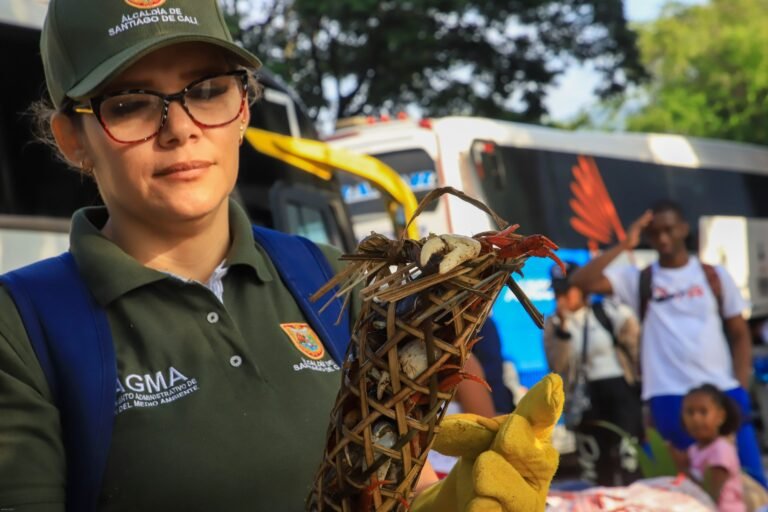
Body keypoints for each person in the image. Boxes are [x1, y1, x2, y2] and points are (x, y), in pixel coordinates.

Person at [0, 1, 562, 510]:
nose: (181, 129)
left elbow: (391, 484)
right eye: (130, 104)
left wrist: (449, 501)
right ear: (73, 139)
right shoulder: (22, 327)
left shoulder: (332, 279)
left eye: (207, 90)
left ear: (244, 108)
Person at [569, 200, 766, 487]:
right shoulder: (640, 279)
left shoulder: (713, 275)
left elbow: (739, 333)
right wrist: (625, 244)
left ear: (684, 229)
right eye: (655, 233)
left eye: (669, 229)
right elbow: (581, 281)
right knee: (684, 486)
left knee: (748, 479)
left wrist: (740, 386)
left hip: (720, 391)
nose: (662, 238)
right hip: (668, 394)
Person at [544, 261, 642, 486]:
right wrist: (563, 330)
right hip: (585, 398)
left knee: (628, 456)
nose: (561, 298)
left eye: (566, 290)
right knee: (594, 461)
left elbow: (635, 345)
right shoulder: (554, 324)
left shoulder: (607, 311)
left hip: (619, 391)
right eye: (557, 292)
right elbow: (557, 366)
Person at [676, 384, 746, 511]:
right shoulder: (693, 450)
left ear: (721, 416)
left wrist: (681, 468)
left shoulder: (721, 450)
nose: (696, 419)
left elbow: (709, 496)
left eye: (703, 412)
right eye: (690, 412)